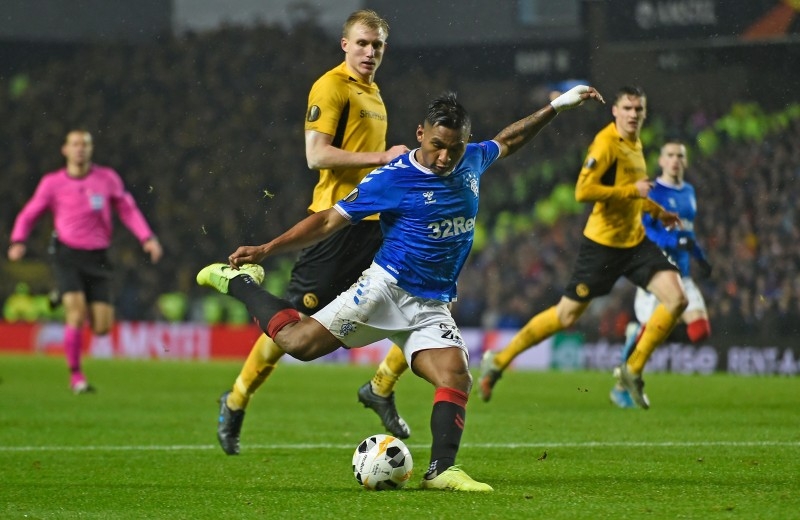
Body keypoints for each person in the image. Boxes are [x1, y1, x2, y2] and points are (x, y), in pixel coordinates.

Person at [197, 86, 605, 491]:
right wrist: (267, 248)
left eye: (455, 148)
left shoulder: (472, 160)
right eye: (438, 146)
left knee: (455, 375)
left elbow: (508, 139)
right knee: (298, 344)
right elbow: (326, 221)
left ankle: (441, 470)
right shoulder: (393, 179)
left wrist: (558, 105)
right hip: (384, 291)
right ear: (420, 135)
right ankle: (240, 284)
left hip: (431, 304)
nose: (445, 157)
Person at [215, 9, 411, 456]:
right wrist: (383, 159)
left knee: (423, 299)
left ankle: (380, 388)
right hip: (335, 228)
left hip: (375, 227)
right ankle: (236, 398)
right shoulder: (331, 86)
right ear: (345, 44)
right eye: (362, 43)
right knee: (293, 329)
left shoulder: (375, 93)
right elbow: (317, 156)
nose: (370, 52)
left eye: (377, 45)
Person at [478, 86, 687, 410]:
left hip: (634, 242)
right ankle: (499, 359)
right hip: (602, 246)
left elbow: (636, 193)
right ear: (615, 111)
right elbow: (583, 191)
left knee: (677, 299)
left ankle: (632, 369)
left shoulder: (636, 143)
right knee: (566, 315)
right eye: (627, 108)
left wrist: (659, 212)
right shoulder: (606, 144)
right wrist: (630, 190)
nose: (633, 114)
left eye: (638, 109)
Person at [8, 129, 162, 393]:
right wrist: (18, 240)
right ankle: (76, 376)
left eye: (85, 145)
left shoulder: (107, 179)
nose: (80, 149)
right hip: (67, 254)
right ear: (65, 150)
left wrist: (146, 237)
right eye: (75, 144)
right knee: (76, 315)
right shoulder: (52, 182)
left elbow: (127, 208)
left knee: (102, 328)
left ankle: (63, 293)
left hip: (99, 256)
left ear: (91, 150)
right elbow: (30, 212)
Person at [610, 139, 712, 407]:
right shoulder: (652, 191)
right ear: (662, 161)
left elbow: (687, 232)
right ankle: (622, 386)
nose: (676, 159)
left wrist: (700, 256)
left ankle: (640, 334)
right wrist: (674, 242)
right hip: (656, 273)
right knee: (655, 330)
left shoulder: (689, 191)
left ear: (685, 161)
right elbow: (646, 230)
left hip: (684, 274)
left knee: (699, 331)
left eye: (681, 155)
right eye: (670, 155)